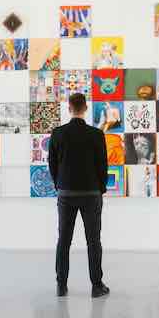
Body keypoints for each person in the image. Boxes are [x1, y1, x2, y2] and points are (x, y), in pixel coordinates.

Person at [48, 93, 110, 299]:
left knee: (64, 240)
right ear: (85, 108)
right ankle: (96, 286)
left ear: (69, 108)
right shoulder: (96, 134)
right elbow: (103, 166)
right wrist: (100, 189)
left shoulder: (57, 133)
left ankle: (61, 285)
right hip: (91, 193)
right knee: (93, 241)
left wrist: (60, 185)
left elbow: (53, 165)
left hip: (66, 193)